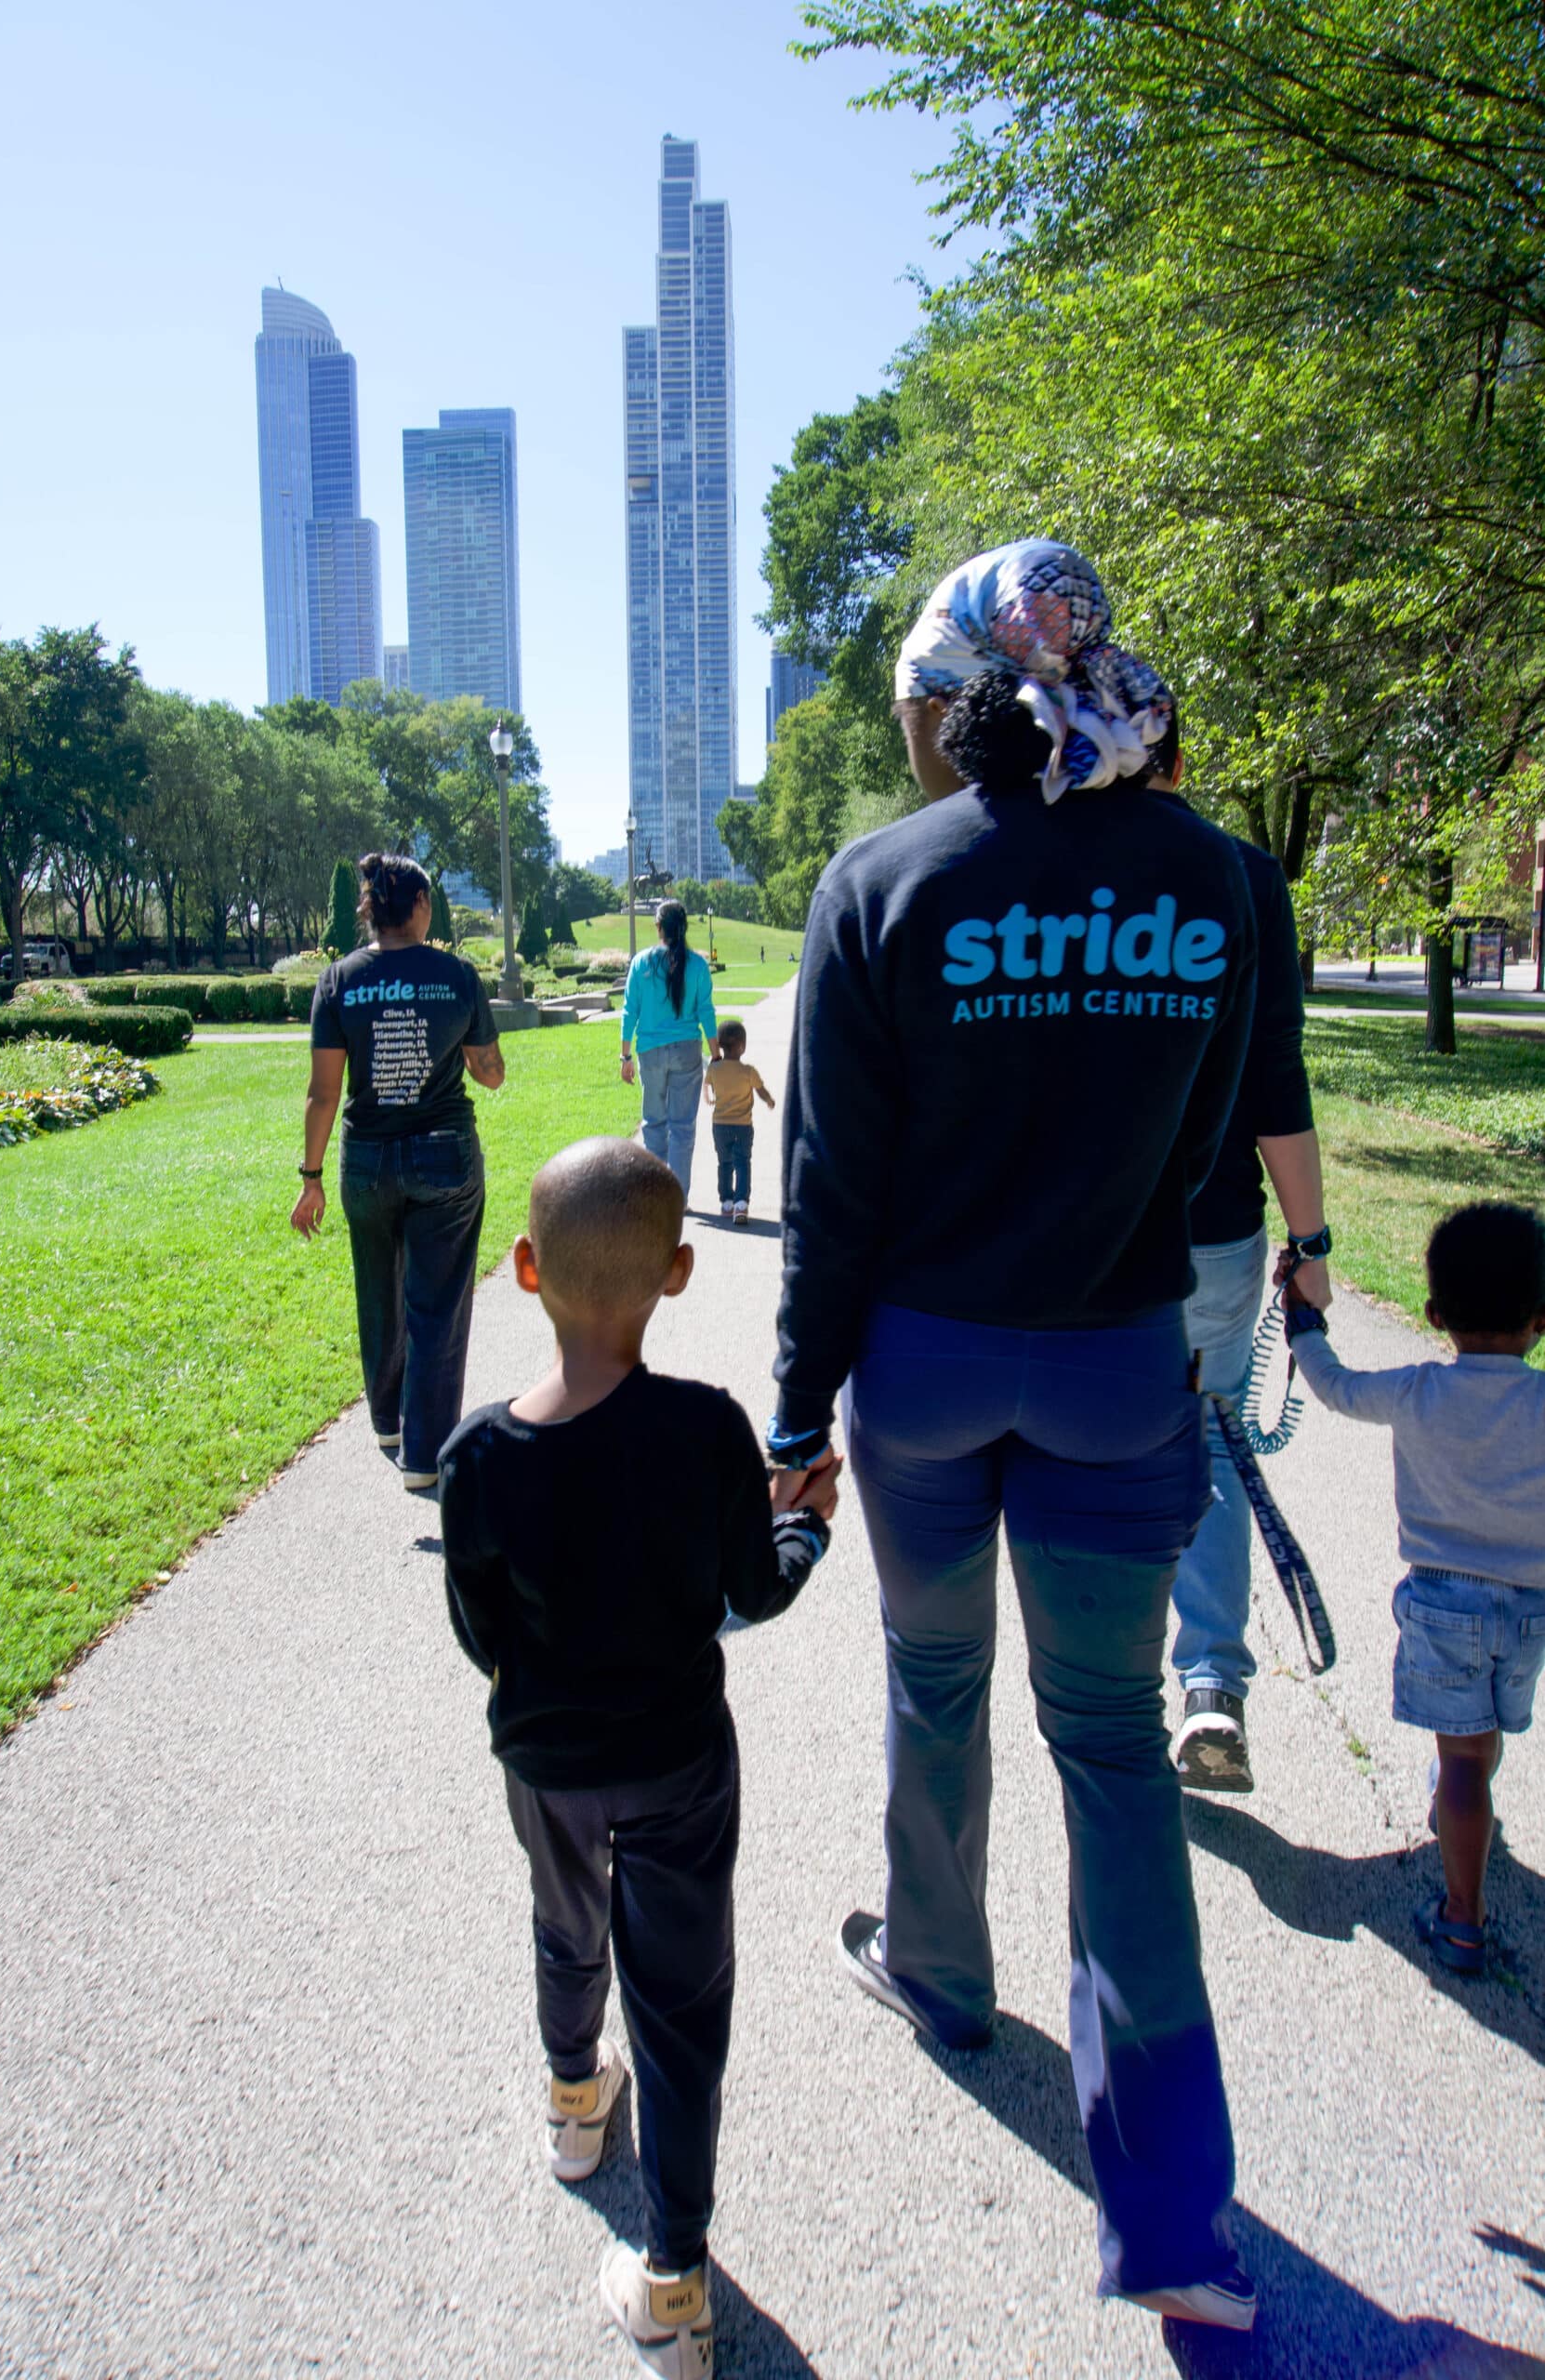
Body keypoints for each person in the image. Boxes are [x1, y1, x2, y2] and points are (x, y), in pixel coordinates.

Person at [769, 540, 1261, 2329]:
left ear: (954, 690)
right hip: (1118, 1362)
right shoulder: (1214, 876)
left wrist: (789, 1411)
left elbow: (832, 1187)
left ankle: (942, 1975)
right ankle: (1175, 2229)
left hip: (921, 1366)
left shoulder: (881, 879)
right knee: (1116, 1751)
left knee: (933, 1677)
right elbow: (1211, 1151)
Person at [438, 1140, 839, 2379]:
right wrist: (801, 1529)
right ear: (675, 1272)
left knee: (563, 1928)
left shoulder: (475, 1460)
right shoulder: (705, 1430)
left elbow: (478, 1630)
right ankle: (674, 2275)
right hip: (677, 1760)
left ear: (521, 1268)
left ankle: (572, 2103)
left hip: (548, 1763)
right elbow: (746, 1592)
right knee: (679, 1999)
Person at [1286, 1201, 1545, 1977]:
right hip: (1529, 1610)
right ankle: (1459, 1814)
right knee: (1485, 1732)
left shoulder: (1416, 1391)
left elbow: (1332, 1386)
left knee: (1459, 1757)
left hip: (1441, 1605)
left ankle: (1462, 1916)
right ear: (1540, 1318)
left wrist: (1302, 1320)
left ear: (1431, 1313)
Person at [1154, 754, 1333, 1794]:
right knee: (1214, 1447)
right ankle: (1211, 1682)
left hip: (1093, 1244)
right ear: (1183, 758)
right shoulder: (1247, 875)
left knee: (1102, 1452)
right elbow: (1276, 1072)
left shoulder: (1068, 866)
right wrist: (1307, 1247)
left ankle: (1110, 1684)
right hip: (1216, 1230)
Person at [292, 853, 504, 1491]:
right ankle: (423, 1453)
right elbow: (489, 1072)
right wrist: (475, 1060)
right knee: (437, 1304)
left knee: (379, 1292)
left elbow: (323, 1093)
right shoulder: (457, 975)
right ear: (416, 908)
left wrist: (310, 1176)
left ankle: (387, 1421)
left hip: (367, 1162)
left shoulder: (338, 981)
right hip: (444, 1154)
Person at [619, 900, 720, 1198]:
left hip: (649, 1051)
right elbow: (706, 1013)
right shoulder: (698, 965)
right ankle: (678, 1197)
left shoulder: (641, 963)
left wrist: (625, 1056)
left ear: (659, 927)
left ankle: (656, 1195)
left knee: (654, 1123)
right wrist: (715, 1056)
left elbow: (629, 1012)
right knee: (683, 1127)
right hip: (687, 1050)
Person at [704, 1019, 774, 1224]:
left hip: (719, 1126)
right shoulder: (748, 1071)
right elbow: (760, 1091)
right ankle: (741, 1204)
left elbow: (707, 1085)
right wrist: (769, 1100)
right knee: (742, 1162)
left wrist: (707, 1097)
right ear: (742, 1047)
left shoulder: (715, 1069)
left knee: (724, 1162)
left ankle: (726, 1201)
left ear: (720, 1046)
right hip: (743, 1126)